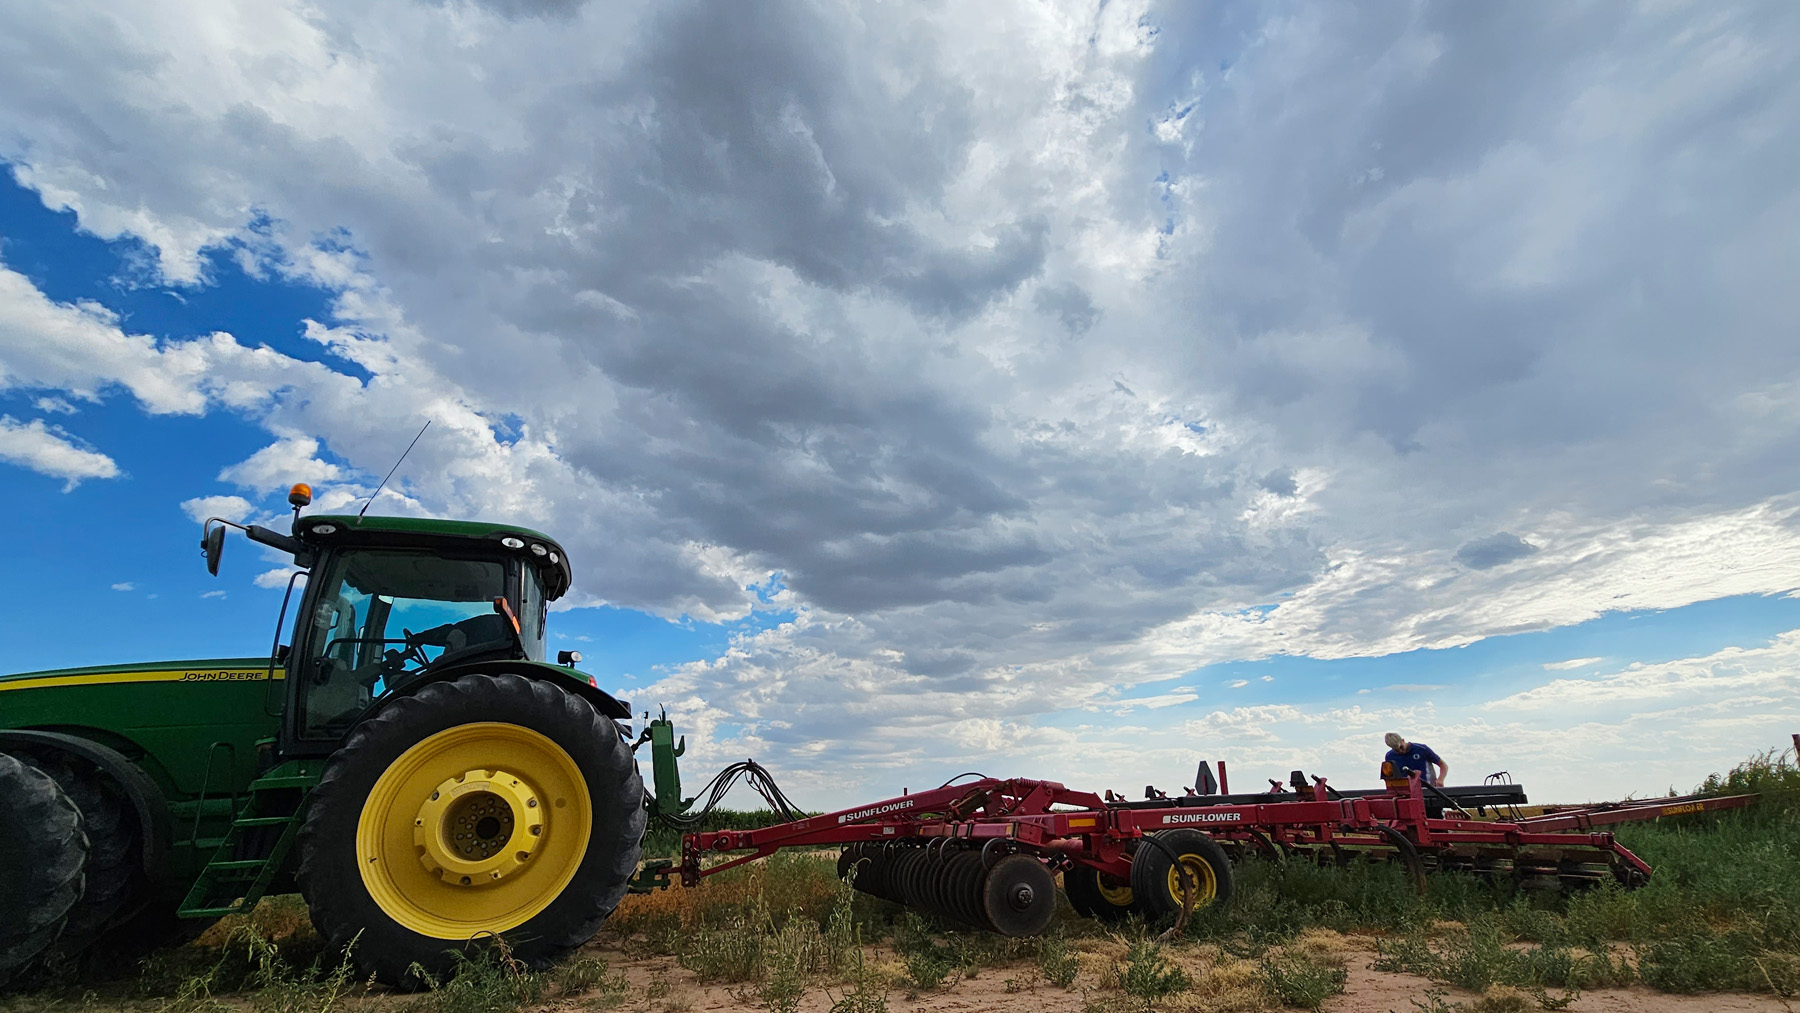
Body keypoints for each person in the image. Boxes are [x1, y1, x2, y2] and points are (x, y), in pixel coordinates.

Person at [1383, 732, 1448, 788]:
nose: (1400, 751)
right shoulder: (1390, 756)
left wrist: (1440, 779)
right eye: (1396, 750)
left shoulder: (1422, 749)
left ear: (1402, 740)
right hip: (1407, 790)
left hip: (1427, 788)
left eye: (1401, 747)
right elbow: (1391, 777)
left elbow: (1443, 765)